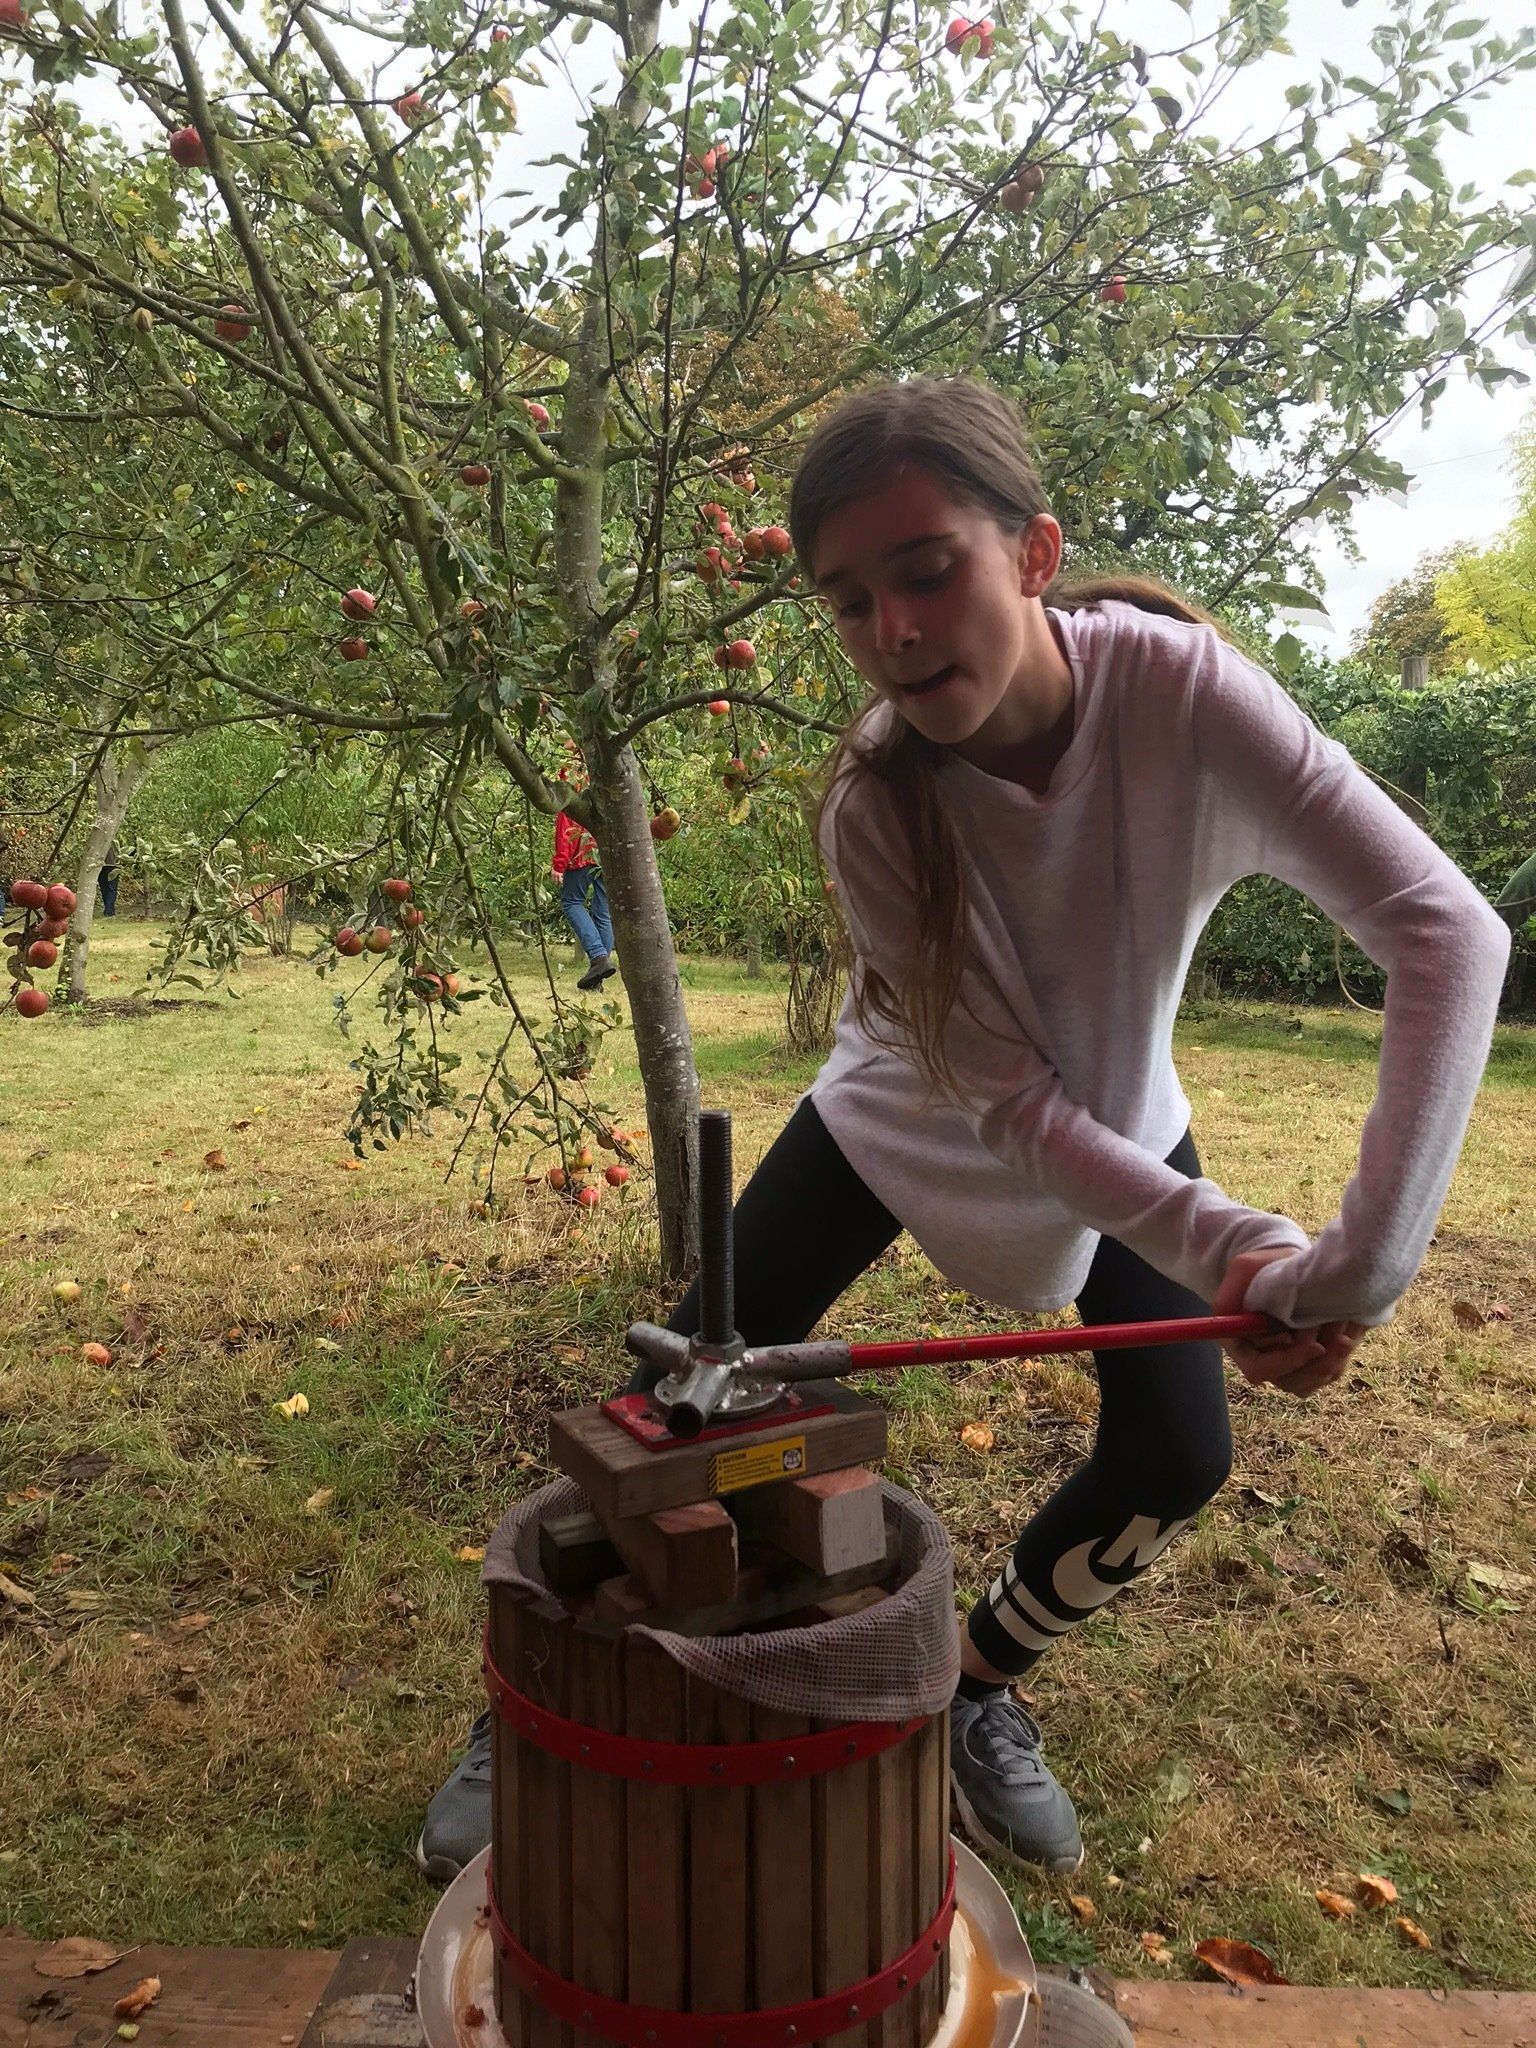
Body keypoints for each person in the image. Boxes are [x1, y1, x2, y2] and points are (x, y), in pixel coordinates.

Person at [418, 377, 1509, 1883]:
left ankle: (975, 1689)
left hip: (1117, 1110)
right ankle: (538, 1700)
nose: (894, 629)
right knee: (676, 1390)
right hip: (907, 1108)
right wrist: (1238, 1246)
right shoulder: (872, 799)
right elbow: (1003, 1106)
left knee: (1177, 1452)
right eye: (850, 601)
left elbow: (1446, 933)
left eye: (928, 569)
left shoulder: (1186, 695)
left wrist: (1353, 1274)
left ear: (1036, 553)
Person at [552, 804, 617, 992]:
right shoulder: (607, 784)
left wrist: (560, 862)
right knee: (604, 913)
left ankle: (598, 957)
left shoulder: (573, 783)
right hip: (607, 854)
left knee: (571, 902)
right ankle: (596, 979)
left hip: (583, 853)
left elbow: (566, 827)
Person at [97, 839, 121, 918]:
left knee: (105, 888)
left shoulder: (97, 841)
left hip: (101, 866)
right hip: (112, 865)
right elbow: (118, 855)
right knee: (111, 888)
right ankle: (109, 910)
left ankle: (108, 909)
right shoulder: (114, 842)